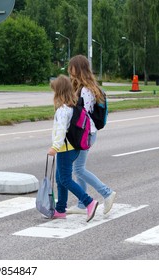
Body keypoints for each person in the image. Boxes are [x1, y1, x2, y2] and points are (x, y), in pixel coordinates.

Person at [67, 55, 116, 215]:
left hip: (86, 133)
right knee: (78, 168)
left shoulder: (86, 90)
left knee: (79, 169)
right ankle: (82, 204)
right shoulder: (83, 87)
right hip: (86, 132)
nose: (70, 70)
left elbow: (84, 114)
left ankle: (107, 193)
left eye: (72, 67)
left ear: (79, 68)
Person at [47, 74, 99, 222]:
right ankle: (60, 209)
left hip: (65, 149)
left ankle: (89, 202)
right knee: (60, 178)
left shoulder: (62, 110)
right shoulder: (73, 106)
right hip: (73, 148)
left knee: (65, 179)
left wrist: (54, 148)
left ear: (59, 92)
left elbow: (61, 130)